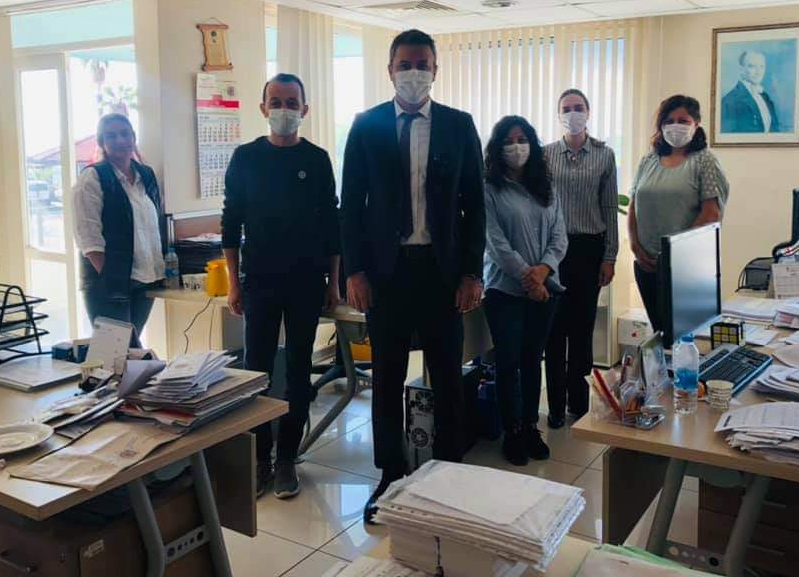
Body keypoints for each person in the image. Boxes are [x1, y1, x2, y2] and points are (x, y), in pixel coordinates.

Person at [340, 29, 485, 523]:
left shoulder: (459, 126)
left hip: (442, 272)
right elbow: (350, 206)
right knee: (387, 377)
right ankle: (390, 474)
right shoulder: (366, 126)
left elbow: (475, 207)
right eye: (405, 64)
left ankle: (449, 474)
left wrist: (472, 272)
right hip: (387, 272)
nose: (413, 73)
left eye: (422, 64)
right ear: (390, 70)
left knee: (447, 376)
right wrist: (355, 271)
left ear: (436, 69)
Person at [222, 73, 341, 500]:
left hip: (306, 281)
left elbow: (332, 225)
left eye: (292, 102)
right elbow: (230, 223)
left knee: (297, 371)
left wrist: (333, 283)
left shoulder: (318, 159)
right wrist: (234, 284)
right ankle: (259, 459)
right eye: (276, 101)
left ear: (305, 109)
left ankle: (287, 457)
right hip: (259, 281)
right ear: (263, 108)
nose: (284, 110)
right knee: (255, 371)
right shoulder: (246, 157)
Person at [483, 116, 567, 466]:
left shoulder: (545, 186)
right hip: (504, 290)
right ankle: (513, 431)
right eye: (508, 141)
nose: (516, 147)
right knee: (508, 362)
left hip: (545, 289)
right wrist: (528, 279)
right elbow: (496, 244)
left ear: (532, 144)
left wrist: (543, 271)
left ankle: (531, 426)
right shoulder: (489, 188)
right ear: (497, 147)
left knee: (533, 360)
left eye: (522, 139)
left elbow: (559, 236)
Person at [543, 89, 618, 427]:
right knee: (554, 332)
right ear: (558, 114)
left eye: (578, 108)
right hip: (554, 251)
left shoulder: (604, 155)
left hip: (589, 250)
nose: (572, 113)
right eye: (567, 108)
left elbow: (609, 208)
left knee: (582, 330)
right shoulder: (545, 155)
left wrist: (610, 256)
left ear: (588, 112)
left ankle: (579, 404)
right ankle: (556, 408)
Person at [628, 95, 730, 342]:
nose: (675, 126)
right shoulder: (648, 160)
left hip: (686, 268)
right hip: (646, 264)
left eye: (683, 121)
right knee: (661, 336)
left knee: (684, 340)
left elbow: (711, 214)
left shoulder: (704, 160)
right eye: (669, 121)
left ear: (696, 123)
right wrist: (635, 246)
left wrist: (672, 253)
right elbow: (633, 206)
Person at [73, 113, 165, 348]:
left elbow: (155, 225)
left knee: (128, 352)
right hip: (109, 284)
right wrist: (113, 279)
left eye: (125, 134)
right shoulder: (93, 178)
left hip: (144, 278)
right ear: (102, 142)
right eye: (111, 136)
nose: (120, 140)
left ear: (133, 137)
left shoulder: (146, 174)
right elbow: (88, 238)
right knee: (115, 352)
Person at [721, 50, 781, 133]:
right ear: (741, 69)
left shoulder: (765, 97)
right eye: (752, 66)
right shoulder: (729, 101)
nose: (758, 72)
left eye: (761, 66)